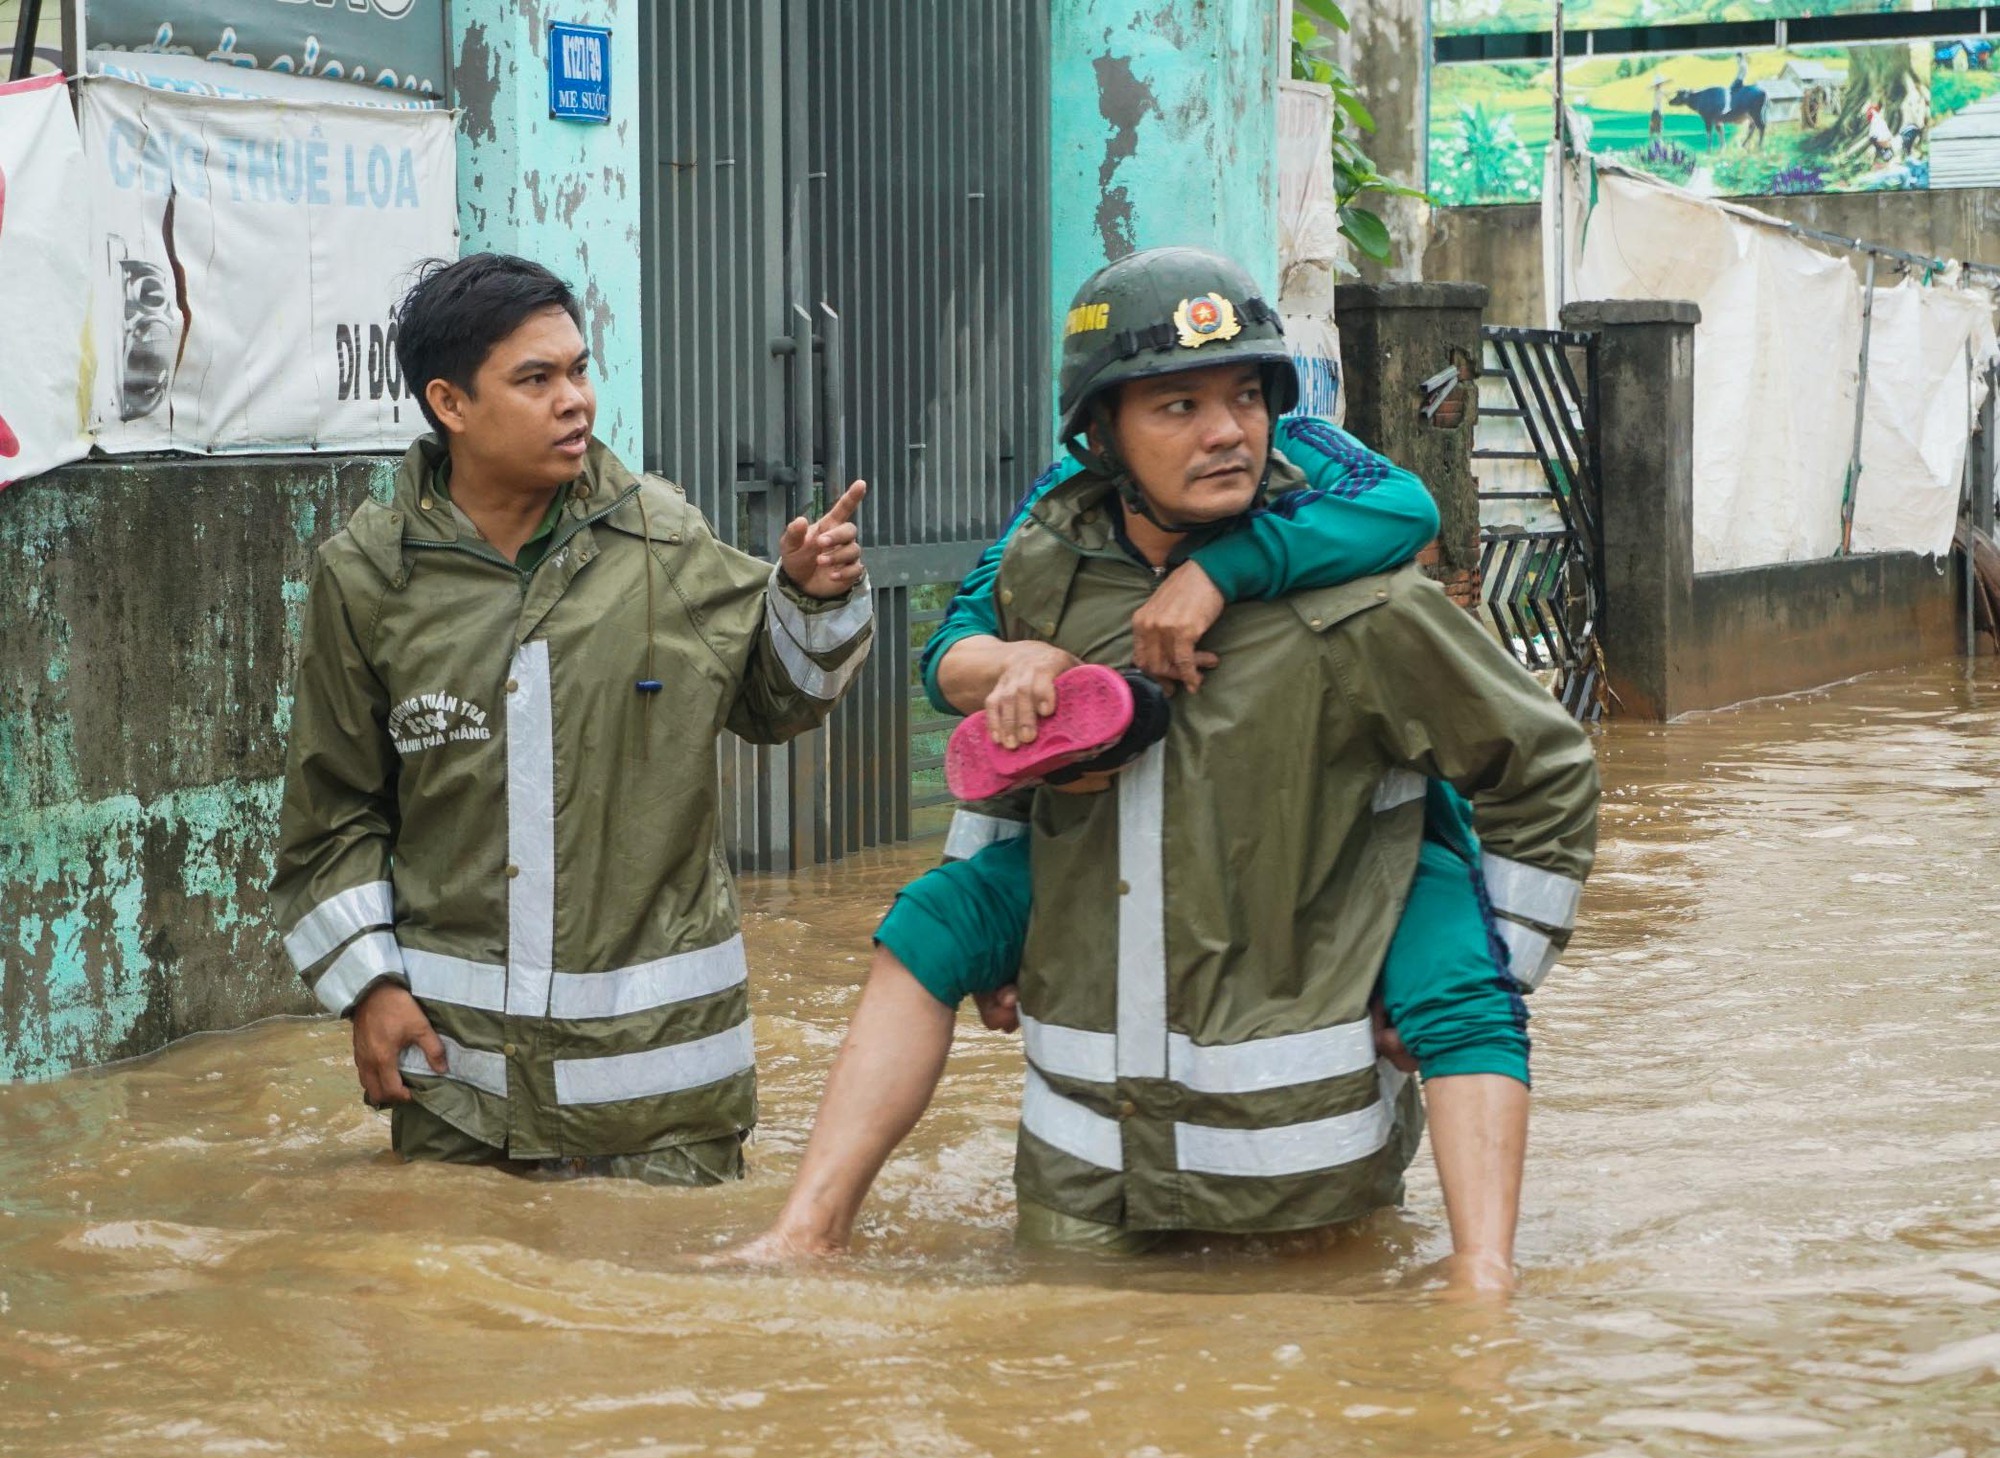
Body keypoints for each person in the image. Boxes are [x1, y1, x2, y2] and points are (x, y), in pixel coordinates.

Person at [740, 248, 1599, 1288]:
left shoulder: (1362, 594)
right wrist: (1010, 713)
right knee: (927, 924)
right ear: (1098, 436)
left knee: (1458, 994)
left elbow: (1542, 770)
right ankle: (806, 1230)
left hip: (1299, 1166)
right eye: (1177, 406)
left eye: (1244, 397)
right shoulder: (1047, 558)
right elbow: (972, 700)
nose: (1226, 431)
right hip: (1085, 1168)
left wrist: (1504, 968)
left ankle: (1480, 1283)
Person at [270, 253, 873, 1185]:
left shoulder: (661, 538)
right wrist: (371, 991)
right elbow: (333, 816)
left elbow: (778, 699)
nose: (575, 401)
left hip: (667, 1109)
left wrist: (809, 598)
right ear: (451, 403)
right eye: (536, 378)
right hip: (461, 1098)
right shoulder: (369, 579)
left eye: (579, 370)